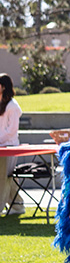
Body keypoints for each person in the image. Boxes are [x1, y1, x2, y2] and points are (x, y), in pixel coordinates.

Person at [0, 74, 25, 216]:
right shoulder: (1, 104)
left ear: (3, 87)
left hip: (9, 147)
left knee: (5, 177)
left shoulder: (13, 106)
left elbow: (11, 131)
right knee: (9, 178)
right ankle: (18, 206)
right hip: (1, 147)